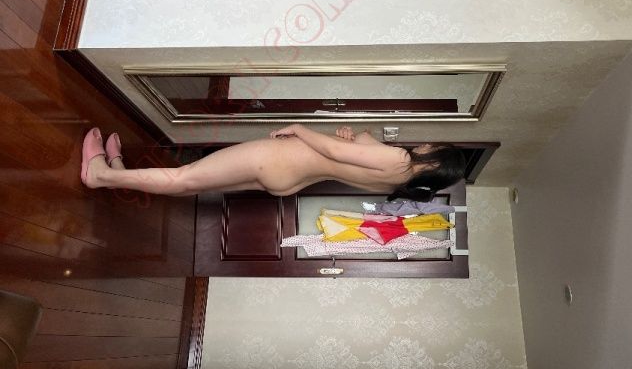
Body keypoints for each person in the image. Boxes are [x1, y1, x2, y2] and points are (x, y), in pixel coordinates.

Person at [80, 124, 466, 201]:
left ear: (436, 162)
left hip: (275, 159)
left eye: (436, 147)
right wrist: (355, 137)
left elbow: (335, 152)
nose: (428, 143)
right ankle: (118, 174)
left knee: (187, 176)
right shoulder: (396, 182)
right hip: (288, 182)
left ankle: (98, 175)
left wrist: (298, 129)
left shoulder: (400, 159)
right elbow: (355, 149)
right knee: (195, 183)